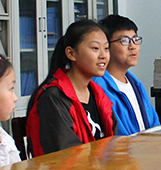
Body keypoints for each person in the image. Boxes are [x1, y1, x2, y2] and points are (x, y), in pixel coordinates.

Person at [26, 19, 116, 156]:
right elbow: (67, 156)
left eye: (106, 48)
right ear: (71, 53)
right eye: (95, 48)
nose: (103, 56)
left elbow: (114, 140)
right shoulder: (54, 98)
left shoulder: (97, 93)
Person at [93, 14, 160, 135]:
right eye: (124, 41)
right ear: (106, 47)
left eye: (135, 39)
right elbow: (118, 134)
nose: (132, 46)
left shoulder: (136, 84)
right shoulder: (99, 87)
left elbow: (155, 126)